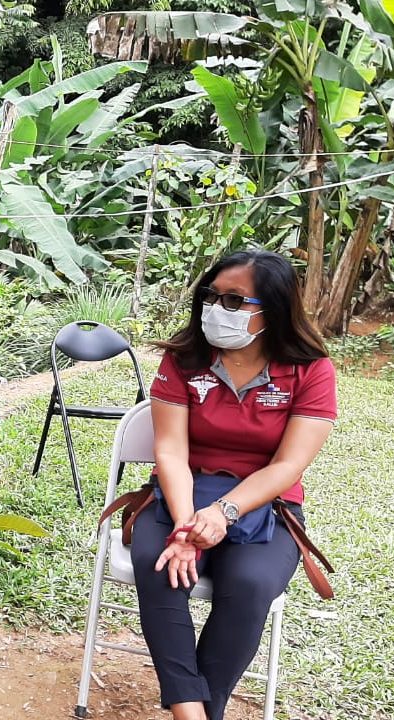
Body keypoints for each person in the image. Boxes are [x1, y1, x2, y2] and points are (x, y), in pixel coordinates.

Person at [132, 250, 337, 720]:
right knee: (161, 563)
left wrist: (222, 513)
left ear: (275, 308)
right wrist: (186, 526)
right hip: (180, 492)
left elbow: (287, 466)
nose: (214, 308)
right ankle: (191, 714)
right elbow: (170, 451)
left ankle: (208, 708)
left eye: (233, 300)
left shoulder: (311, 370)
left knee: (248, 583)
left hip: (267, 504)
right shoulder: (183, 359)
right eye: (211, 295)